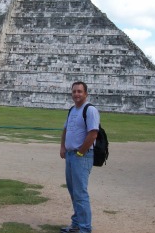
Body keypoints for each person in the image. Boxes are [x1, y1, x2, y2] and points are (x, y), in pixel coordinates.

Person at [60, 81, 100, 233]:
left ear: (86, 94)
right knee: (73, 192)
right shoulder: (72, 110)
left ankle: (85, 228)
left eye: (79, 91)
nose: (76, 94)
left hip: (81, 156)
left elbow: (93, 134)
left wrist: (80, 152)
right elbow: (65, 130)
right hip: (71, 155)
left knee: (80, 193)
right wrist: (63, 146)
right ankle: (76, 224)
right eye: (74, 91)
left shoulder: (90, 110)